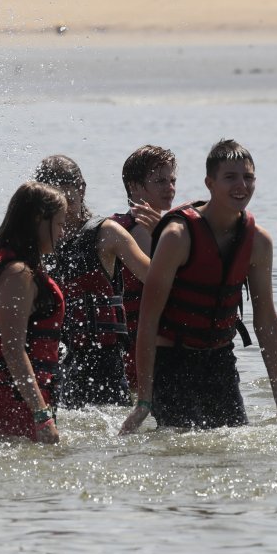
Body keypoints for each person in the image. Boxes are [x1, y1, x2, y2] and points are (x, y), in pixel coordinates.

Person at [121, 140, 277, 433]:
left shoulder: (259, 243)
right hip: (171, 362)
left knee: (231, 449)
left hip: (219, 360)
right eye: (231, 177)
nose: (241, 185)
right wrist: (143, 402)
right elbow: (148, 320)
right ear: (210, 183)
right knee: (181, 448)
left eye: (248, 177)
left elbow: (266, 319)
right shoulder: (177, 236)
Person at [34, 155, 151, 407]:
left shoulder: (106, 233)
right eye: (54, 204)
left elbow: (154, 278)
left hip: (105, 363)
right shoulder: (39, 244)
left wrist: (165, 235)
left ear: (82, 189)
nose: (62, 211)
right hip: (57, 361)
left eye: (69, 201)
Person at [0, 181, 67, 443]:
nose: (63, 233)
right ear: (38, 220)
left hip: (4, 404)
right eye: (59, 224)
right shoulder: (16, 273)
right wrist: (42, 416)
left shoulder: (7, 265)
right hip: (11, 407)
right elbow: (12, 349)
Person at [108, 145, 178, 390]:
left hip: (132, 341)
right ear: (135, 186)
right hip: (142, 344)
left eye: (172, 180)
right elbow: (166, 284)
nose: (169, 187)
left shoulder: (119, 225)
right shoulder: (141, 231)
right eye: (160, 181)